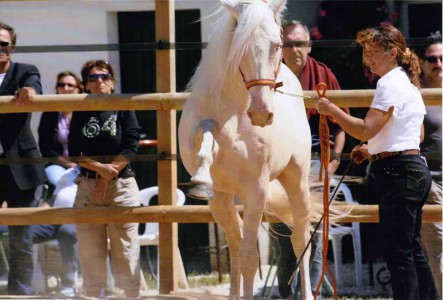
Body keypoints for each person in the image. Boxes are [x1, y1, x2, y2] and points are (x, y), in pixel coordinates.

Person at [313, 25, 438, 300]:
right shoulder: (407, 82)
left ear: (392, 52)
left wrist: (331, 110)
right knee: (412, 250)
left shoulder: (388, 84)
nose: (367, 58)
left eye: (372, 51)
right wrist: (373, 149)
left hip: (398, 174)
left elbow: (365, 128)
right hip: (414, 170)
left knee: (399, 254)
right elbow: (414, 134)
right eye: (365, 52)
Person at [272, 20, 348, 299]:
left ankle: (312, 294)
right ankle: (286, 293)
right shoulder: (269, 73)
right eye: (289, 44)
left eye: (300, 43)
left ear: (309, 45)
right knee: (282, 233)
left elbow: (340, 124)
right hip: (278, 162)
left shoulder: (322, 74)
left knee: (314, 234)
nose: (295, 50)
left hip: (316, 159)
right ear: (280, 46)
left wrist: (335, 160)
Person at [68, 59, 141, 298]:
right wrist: (100, 169)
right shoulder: (80, 108)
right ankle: (93, 294)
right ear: (86, 85)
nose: (99, 81)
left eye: (104, 76)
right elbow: (74, 151)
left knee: (126, 249)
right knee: (90, 251)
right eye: (93, 77)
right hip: (88, 186)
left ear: (112, 81)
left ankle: (131, 295)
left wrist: (105, 176)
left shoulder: (123, 105)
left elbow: (131, 145)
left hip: (121, 185)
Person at [0, 21, 48, 295]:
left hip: (21, 166)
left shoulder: (24, 70)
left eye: (3, 44)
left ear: (12, 48)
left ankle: (20, 294)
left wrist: (29, 92)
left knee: (20, 239)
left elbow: (34, 86)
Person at [34, 71, 84, 297]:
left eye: (70, 85)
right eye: (61, 84)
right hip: (59, 164)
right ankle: (52, 208)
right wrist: (68, 164)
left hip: (84, 165)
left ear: (78, 89)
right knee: (57, 180)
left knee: (76, 186)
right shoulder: (50, 113)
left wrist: (79, 163)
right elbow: (46, 147)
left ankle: (51, 209)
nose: (65, 88)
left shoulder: (84, 113)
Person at [418, 32, 442, 299]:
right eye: (432, 58)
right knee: (438, 247)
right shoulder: (415, 94)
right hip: (430, 181)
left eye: (442, 58)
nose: (438, 63)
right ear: (423, 63)